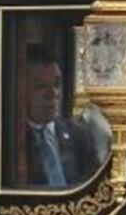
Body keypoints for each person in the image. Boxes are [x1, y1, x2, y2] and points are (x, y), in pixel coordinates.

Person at [20, 47, 99, 188]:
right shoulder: (12, 141)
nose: (53, 94)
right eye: (40, 86)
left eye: (56, 84)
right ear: (20, 89)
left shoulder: (79, 136)